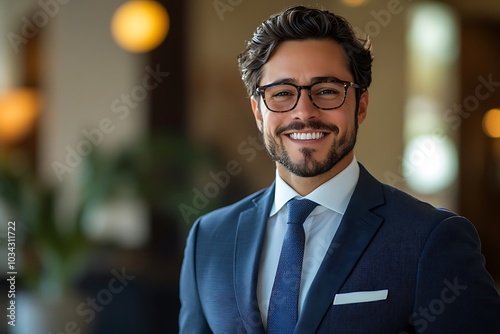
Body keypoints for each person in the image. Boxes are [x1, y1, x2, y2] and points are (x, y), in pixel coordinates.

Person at [179, 5, 500, 333]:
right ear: (258, 112)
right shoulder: (209, 237)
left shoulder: (431, 238)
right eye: (281, 93)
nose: (304, 112)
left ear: (360, 105)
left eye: (328, 91)